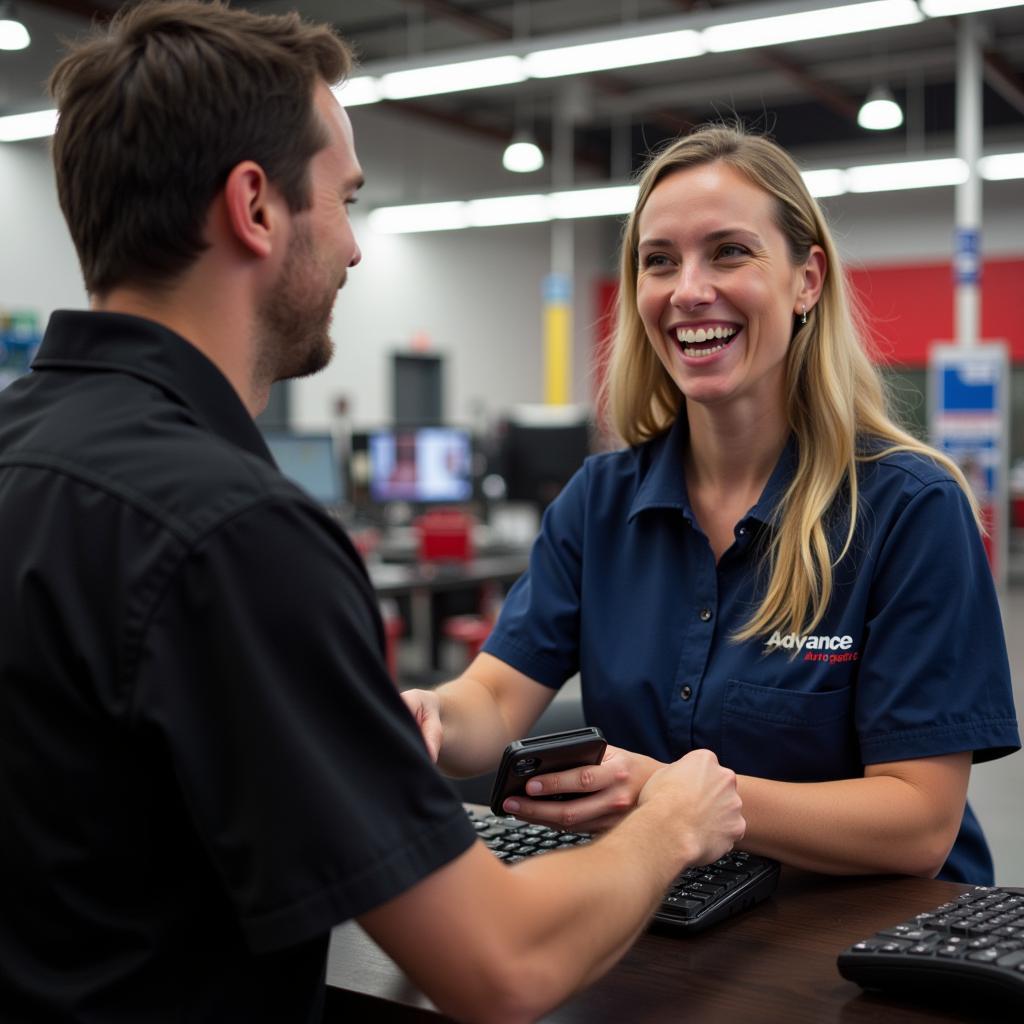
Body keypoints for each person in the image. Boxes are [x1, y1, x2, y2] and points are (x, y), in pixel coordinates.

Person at [0, 4, 746, 1022]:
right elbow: (500, 965)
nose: (353, 247)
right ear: (255, 207)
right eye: (344, 199)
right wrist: (672, 822)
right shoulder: (236, 536)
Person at [403, 125, 1021, 886]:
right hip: (672, 931)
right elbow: (494, 699)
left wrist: (666, 794)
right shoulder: (599, 504)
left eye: (729, 251)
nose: (688, 289)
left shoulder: (910, 510)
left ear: (807, 281)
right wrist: (431, 714)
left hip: (865, 953)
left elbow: (919, 822)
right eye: (659, 261)